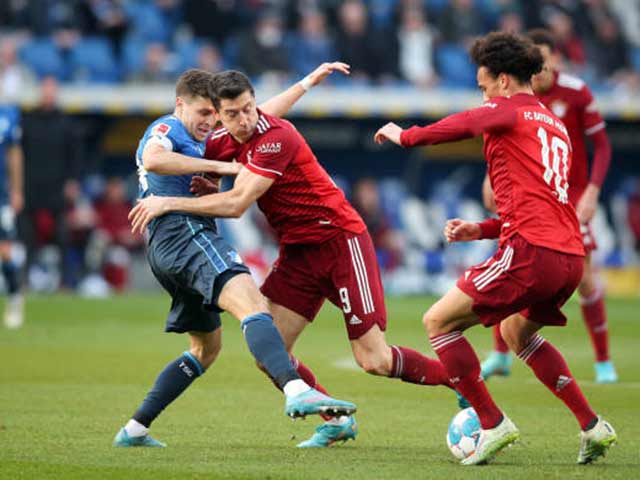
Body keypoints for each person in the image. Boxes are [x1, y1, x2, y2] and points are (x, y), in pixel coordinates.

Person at [129, 70, 456, 449]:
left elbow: (236, 205)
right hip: (298, 253)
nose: (245, 119)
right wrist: (306, 83)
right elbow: (195, 152)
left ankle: (462, 382)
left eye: (249, 109)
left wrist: (168, 201)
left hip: (339, 242)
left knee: (374, 360)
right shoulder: (220, 138)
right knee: (271, 355)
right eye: (233, 113)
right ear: (220, 116)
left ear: (254, 103)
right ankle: (335, 421)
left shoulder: (276, 138)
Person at [372, 32, 616, 465]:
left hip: (531, 252)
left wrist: (404, 135)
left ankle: (491, 422)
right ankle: (592, 425)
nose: (482, 94)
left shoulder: (508, 109)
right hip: (569, 256)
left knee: (438, 321)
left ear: (503, 81)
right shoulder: (552, 123)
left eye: (483, 86)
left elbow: (462, 124)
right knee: (515, 333)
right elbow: (540, 202)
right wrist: (481, 229)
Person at [113, 67, 356, 448]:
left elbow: (260, 115)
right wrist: (223, 167)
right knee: (253, 304)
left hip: (166, 249)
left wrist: (305, 84)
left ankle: (134, 429)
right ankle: (295, 389)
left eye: (215, 114)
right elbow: (155, 159)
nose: (209, 122)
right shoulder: (169, 128)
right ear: (180, 105)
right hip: (186, 235)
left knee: (206, 350)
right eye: (203, 114)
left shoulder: (207, 134)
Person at [480, 29, 617, 384]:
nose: (536, 71)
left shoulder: (575, 92)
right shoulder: (518, 97)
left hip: (570, 197)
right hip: (528, 196)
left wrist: (592, 191)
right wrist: (488, 179)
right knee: (511, 262)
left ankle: (603, 360)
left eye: (541, 61)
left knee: (585, 279)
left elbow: (601, 146)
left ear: (555, 58)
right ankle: (500, 354)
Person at [0, 96, 24, 328]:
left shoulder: (7, 115)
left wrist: (16, 190)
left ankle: (15, 300)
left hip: (1, 195)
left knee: (5, 250)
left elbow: (14, 155)